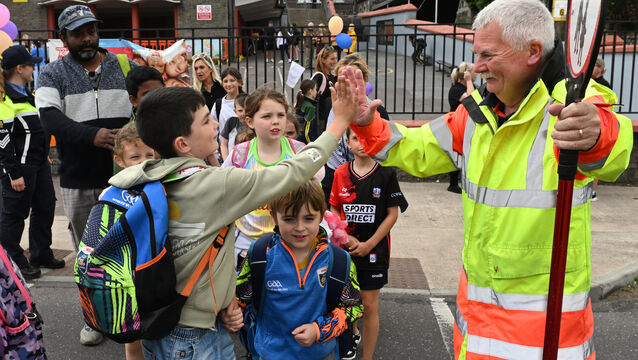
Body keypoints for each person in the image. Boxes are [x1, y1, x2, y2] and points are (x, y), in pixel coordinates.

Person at [348, 1, 632, 358]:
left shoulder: (571, 106)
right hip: (476, 339)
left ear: (532, 51)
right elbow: (417, 147)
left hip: (546, 345)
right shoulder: (477, 114)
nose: (477, 66)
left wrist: (595, 134)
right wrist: (366, 124)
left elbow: (613, 144)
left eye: (487, 54)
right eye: (475, 54)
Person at [114, 63, 364, 359]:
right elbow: (293, 171)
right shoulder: (211, 184)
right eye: (207, 121)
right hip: (193, 335)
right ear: (183, 143)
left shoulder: (137, 178)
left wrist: (228, 299)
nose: (217, 126)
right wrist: (339, 123)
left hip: (162, 320)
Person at [34, 4, 137, 346]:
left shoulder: (123, 66)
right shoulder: (51, 74)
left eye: (91, 30)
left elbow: (147, 105)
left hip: (124, 178)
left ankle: (131, 315)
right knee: (86, 255)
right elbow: (49, 118)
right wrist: (90, 135)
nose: (87, 38)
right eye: (78, 33)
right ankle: (93, 320)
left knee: (131, 251)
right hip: (78, 179)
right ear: (63, 37)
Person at [236, 179, 363, 360]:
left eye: (309, 218)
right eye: (289, 219)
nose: (300, 227)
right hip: (269, 354)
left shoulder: (340, 260)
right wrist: (231, 313)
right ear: (274, 216)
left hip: (320, 354)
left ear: (321, 216)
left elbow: (353, 308)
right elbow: (239, 298)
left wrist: (320, 330)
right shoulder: (259, 255)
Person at [221, 87, 325, 268]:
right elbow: (223, 190)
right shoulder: (240, 154)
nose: (275, 122)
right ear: (250, 121)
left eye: (281, 115)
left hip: (291, 243)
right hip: (247, 243)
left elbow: (316, 194)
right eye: (267, 116)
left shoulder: (299, 152)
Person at [330, 128, 408, 360]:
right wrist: (345, 236)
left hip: (375, 252)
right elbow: (334, 207)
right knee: (347, 299)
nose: (361, 143)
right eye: (356, 138)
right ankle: (353, 332)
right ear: (347, 142)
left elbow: (392, 214)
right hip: (346, 250)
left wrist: (369, 244)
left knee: (369, 306)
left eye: (367, 138)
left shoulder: (386, 175)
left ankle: (368, 357)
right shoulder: (340, 173)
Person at [0, 45, 63, 281]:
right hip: (20, 167)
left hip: (38, 162)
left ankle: (40, 253)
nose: (33, 69)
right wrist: (13, 174)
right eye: (30, 65)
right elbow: (3, 141)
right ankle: (13, 260)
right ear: (20, 69)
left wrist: (43, 152)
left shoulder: (29, 95)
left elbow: (35, 130)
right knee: (15, 214)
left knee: (45, 206)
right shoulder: (5, 98)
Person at [111, 122, 156, 360]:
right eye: (135, 156)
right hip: (128, 272)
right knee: (133, 337)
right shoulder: (113, 193)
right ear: (120, 160)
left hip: (156, 267)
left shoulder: (161, 185)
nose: (143, 161)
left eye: (149, 154)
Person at [323, 54, 391, 207]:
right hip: (333, 178)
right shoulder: (330, 105)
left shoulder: (377, 111)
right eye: (342, 79)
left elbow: (385, 151)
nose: (347, 84)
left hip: (366, 181)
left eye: (352, 78)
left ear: (364, 79)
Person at [446, 62, 476, 194]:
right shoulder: (456, 89)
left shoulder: (468, 87)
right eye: (473, 71)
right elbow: (472, 99)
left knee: (464, 153)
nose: (476, 73)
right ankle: (453, 184)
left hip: (465, 124)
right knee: (456, 153)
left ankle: (462, 182)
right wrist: (469, 80)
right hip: (456, 124)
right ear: (466, 74)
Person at [313, 46, 337, 136]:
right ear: (323, 60)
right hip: (320, 120)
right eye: (332, 59)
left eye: (336, 58)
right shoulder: (319, 77)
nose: (335, 61)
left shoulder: (331, 76)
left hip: (329, 117)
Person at [220, 92, 248, 161]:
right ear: (235, 111)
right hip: (231, 162)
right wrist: (226, 161)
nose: (244, 113)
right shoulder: (231, 122)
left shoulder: (255, 124)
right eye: (240, 111)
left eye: (246, 110)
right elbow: (223, 144)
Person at [295, 79, 319, 143]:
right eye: (315, 89)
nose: (316, 92)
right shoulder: (310, 107)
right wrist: (311, 145)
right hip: (305, 143)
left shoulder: (301, 102)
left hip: (298, 139)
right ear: (311, 91)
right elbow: (307, 132)